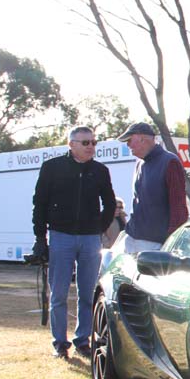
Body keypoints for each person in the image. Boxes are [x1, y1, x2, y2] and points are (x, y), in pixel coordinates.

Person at [32, 126, 116, 358]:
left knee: (88, 292)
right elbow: (39, 203)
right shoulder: (52, 168)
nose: (91, 147)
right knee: (58, 293)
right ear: (71, 144)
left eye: (94, 142)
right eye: (85, 142)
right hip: (60, 237)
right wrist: (40, 237)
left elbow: (109, 202)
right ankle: (60, 343)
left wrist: (99, 227)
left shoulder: (100, 171)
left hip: (90, 239)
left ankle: (83, 341)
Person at [116, 122, 188, 253]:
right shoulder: (140, 164)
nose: (128, 145)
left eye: (129, 140)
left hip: (154, 244)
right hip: (133, 237)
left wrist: (171, 243)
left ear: (142, 139)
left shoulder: (170, 162)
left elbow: (178, 208)